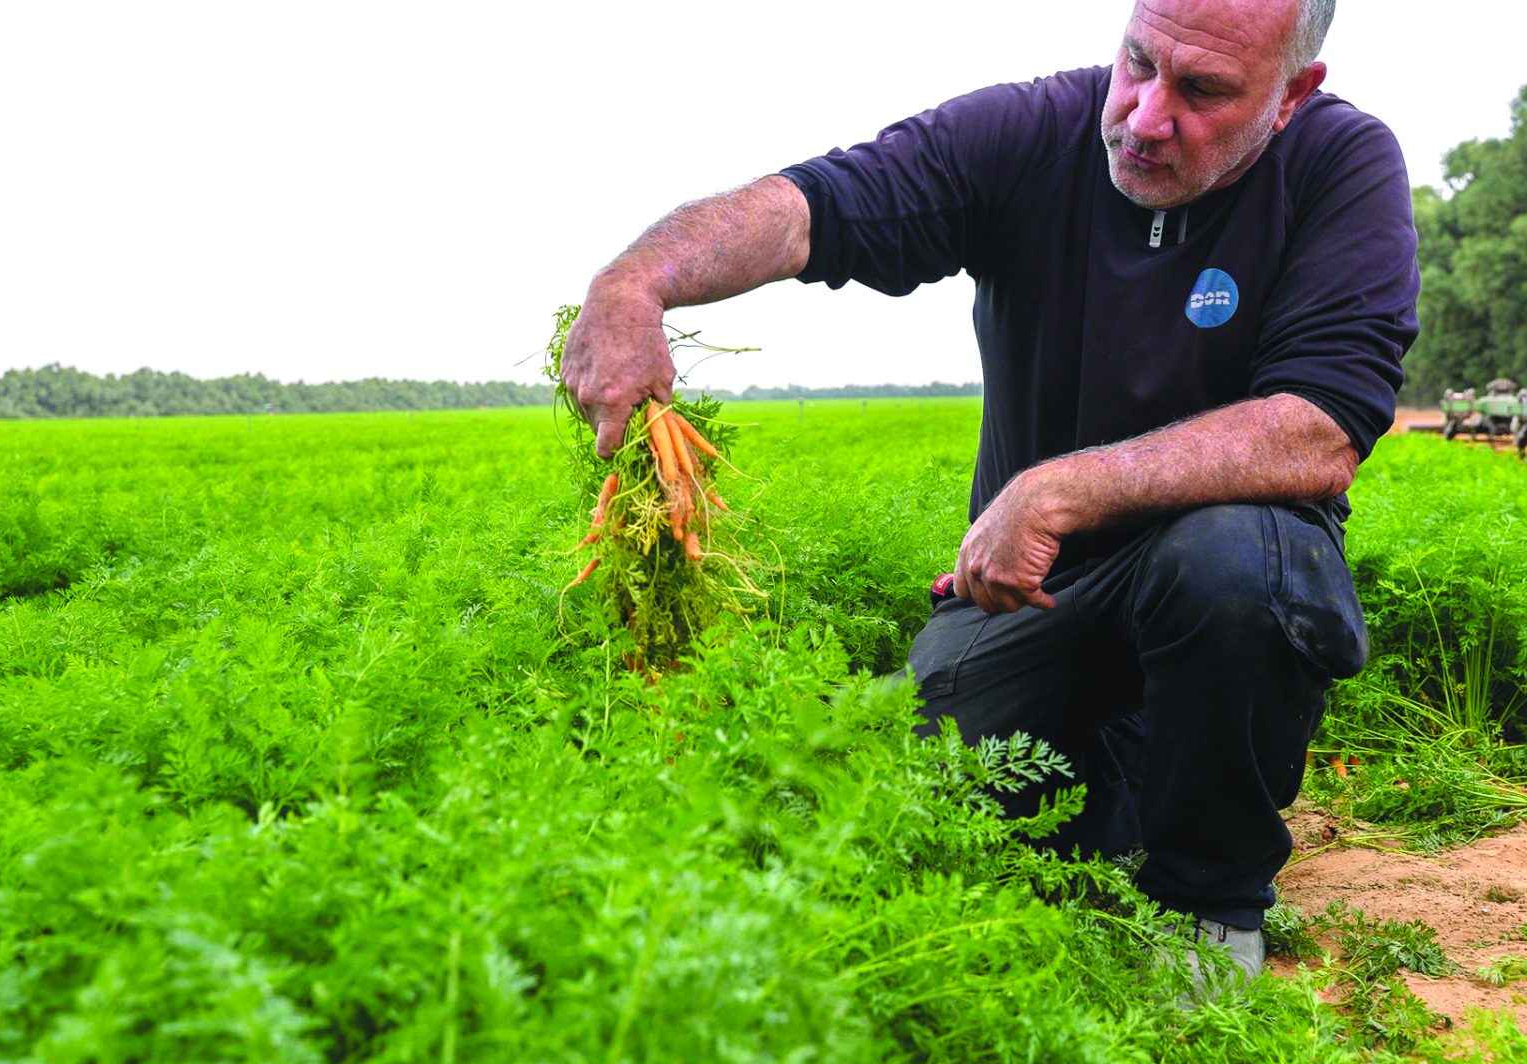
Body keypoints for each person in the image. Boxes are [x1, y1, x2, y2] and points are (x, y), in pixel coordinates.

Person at [559, 0, 1418, 980]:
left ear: (1289, 96)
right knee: (902, 796)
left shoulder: (1340, 166)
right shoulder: (1035, 134)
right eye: (1139, 63)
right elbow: (817, 208)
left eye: (1203, 92)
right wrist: (636, 280)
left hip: (1213, 572)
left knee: (1231, 569)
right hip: (1027, 596)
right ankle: (1138, 790)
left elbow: (1320, 424)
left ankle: (1206, 908)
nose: (1143, 116)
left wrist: (1062, 489)